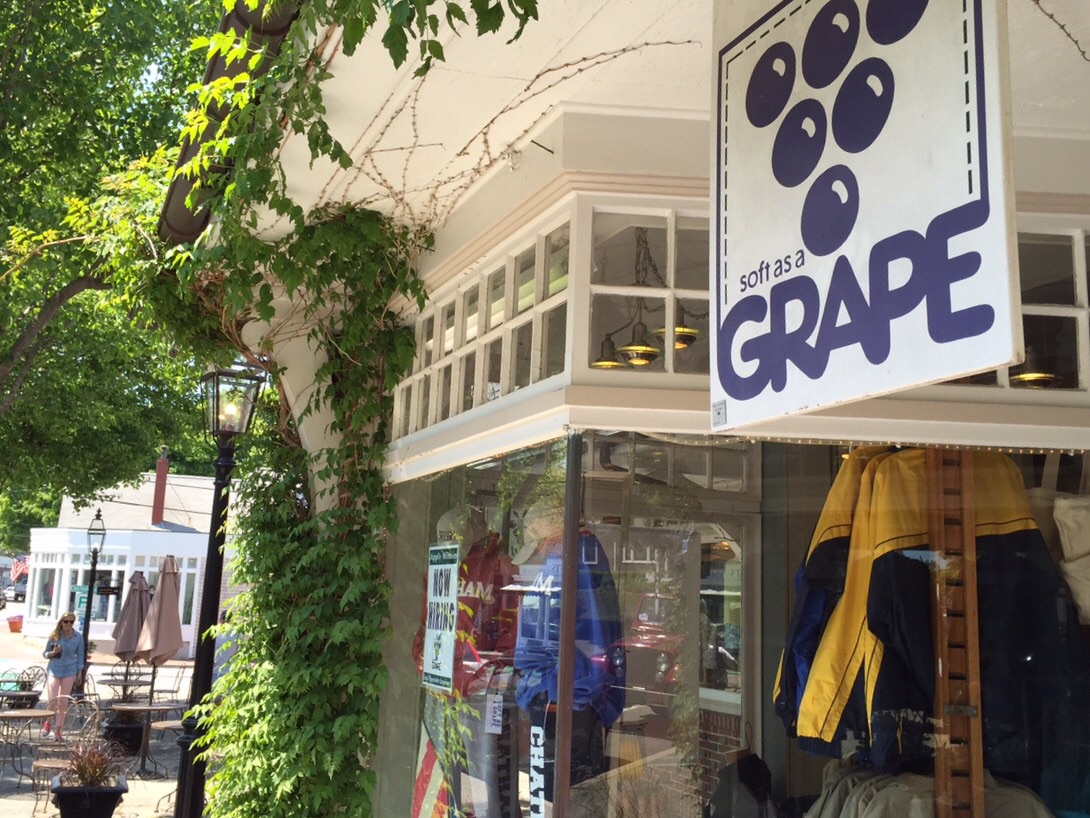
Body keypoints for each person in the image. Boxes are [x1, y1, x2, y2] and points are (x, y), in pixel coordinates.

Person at [40, 612, 86, 740]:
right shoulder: (55, 635)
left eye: (71, 622)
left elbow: (80, 656)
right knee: (52, 699)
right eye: (66, 621)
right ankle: (48, 722)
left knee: (63, 702)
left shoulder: (78, 637)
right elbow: (45, 653)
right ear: (61, 622)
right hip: (54, 669)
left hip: (69, 670)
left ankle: (58, 730)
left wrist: (79, 672)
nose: (68, 624)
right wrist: (52, 653)